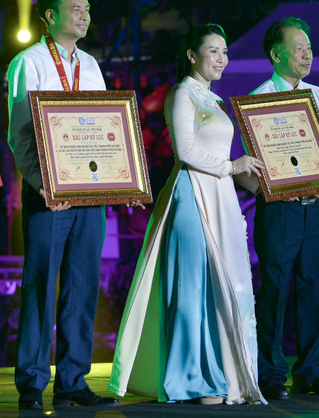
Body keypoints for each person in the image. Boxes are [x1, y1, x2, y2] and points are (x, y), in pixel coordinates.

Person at [109, 24, 265, 405]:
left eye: (225, 51)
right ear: (192, 55)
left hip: (221, 196)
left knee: (220, 286)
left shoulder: (213, 100)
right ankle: (192, 379)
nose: (222, 58)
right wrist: (233, 166)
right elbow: (185, 152)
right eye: (213, 51)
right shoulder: (182, 93)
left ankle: (219, 374)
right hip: (192, 195)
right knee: (192, 288)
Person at [7, 0, 121, 411]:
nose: (84, 14)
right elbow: (20, 133)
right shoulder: (29, 63)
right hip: (47, 193)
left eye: (88, 8)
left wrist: (117, 180)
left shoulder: (91, 65)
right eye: (75, 8)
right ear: (49, 16)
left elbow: (107, 130)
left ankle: (73, 379)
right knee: (41, 283)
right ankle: (32, 383)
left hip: (90, 193)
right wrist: (41, 184)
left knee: (83, 284)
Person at [250, 17, 319, 399]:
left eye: (309, 47)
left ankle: (311, 372)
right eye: (298, 48)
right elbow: (258, 158)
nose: (307, 54)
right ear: (276, 54)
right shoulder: (259, 98)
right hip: (279, 208)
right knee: (274, 288)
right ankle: (269, 372)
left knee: (313, 288)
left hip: (316, 207)